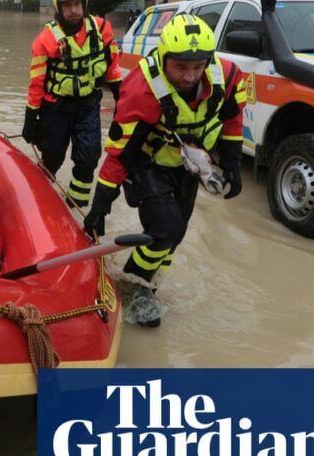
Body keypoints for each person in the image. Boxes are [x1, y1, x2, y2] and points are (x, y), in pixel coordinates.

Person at [82, 14, 246, 327]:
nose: (189, 76)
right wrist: (101, 202)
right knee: (166, 227)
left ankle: (151, 284)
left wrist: (233, 163)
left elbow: (231, 117)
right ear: (164, 57)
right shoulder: (142, 89)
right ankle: (134, 284)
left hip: (187, 166)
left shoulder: (226, 75)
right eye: (181, 67)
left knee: (177, 233)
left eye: (197, 67)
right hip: (145, 164)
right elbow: (120, 152)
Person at [23, 0, 122, 207]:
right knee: (52, 156)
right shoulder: (45, 40)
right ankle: (38, 198)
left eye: (78, 4)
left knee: (89, 156)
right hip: (56, 108)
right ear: (59, 7)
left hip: (88, 105)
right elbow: (37, 83)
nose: (74, 11)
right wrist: (30, 119)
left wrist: (120, 97)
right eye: (67, 5)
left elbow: (112, 67)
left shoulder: (103, 29)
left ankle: (75, 206)